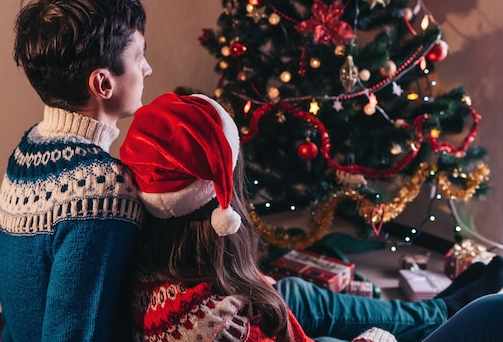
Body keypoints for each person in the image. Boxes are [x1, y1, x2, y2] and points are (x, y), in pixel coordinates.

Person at [119, 92, 503, 342]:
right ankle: (445, 311)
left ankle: (440, 309)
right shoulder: (221, 325)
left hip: (244, 298)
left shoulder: (153, 257)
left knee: (297, 294)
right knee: (491, 313)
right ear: (219, 206)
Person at [0, 0, 152, 342]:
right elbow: (75, 332)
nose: (148, 69)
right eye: (139, 56)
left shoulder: (29, 146)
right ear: (103, 83)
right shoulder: (103, 189)